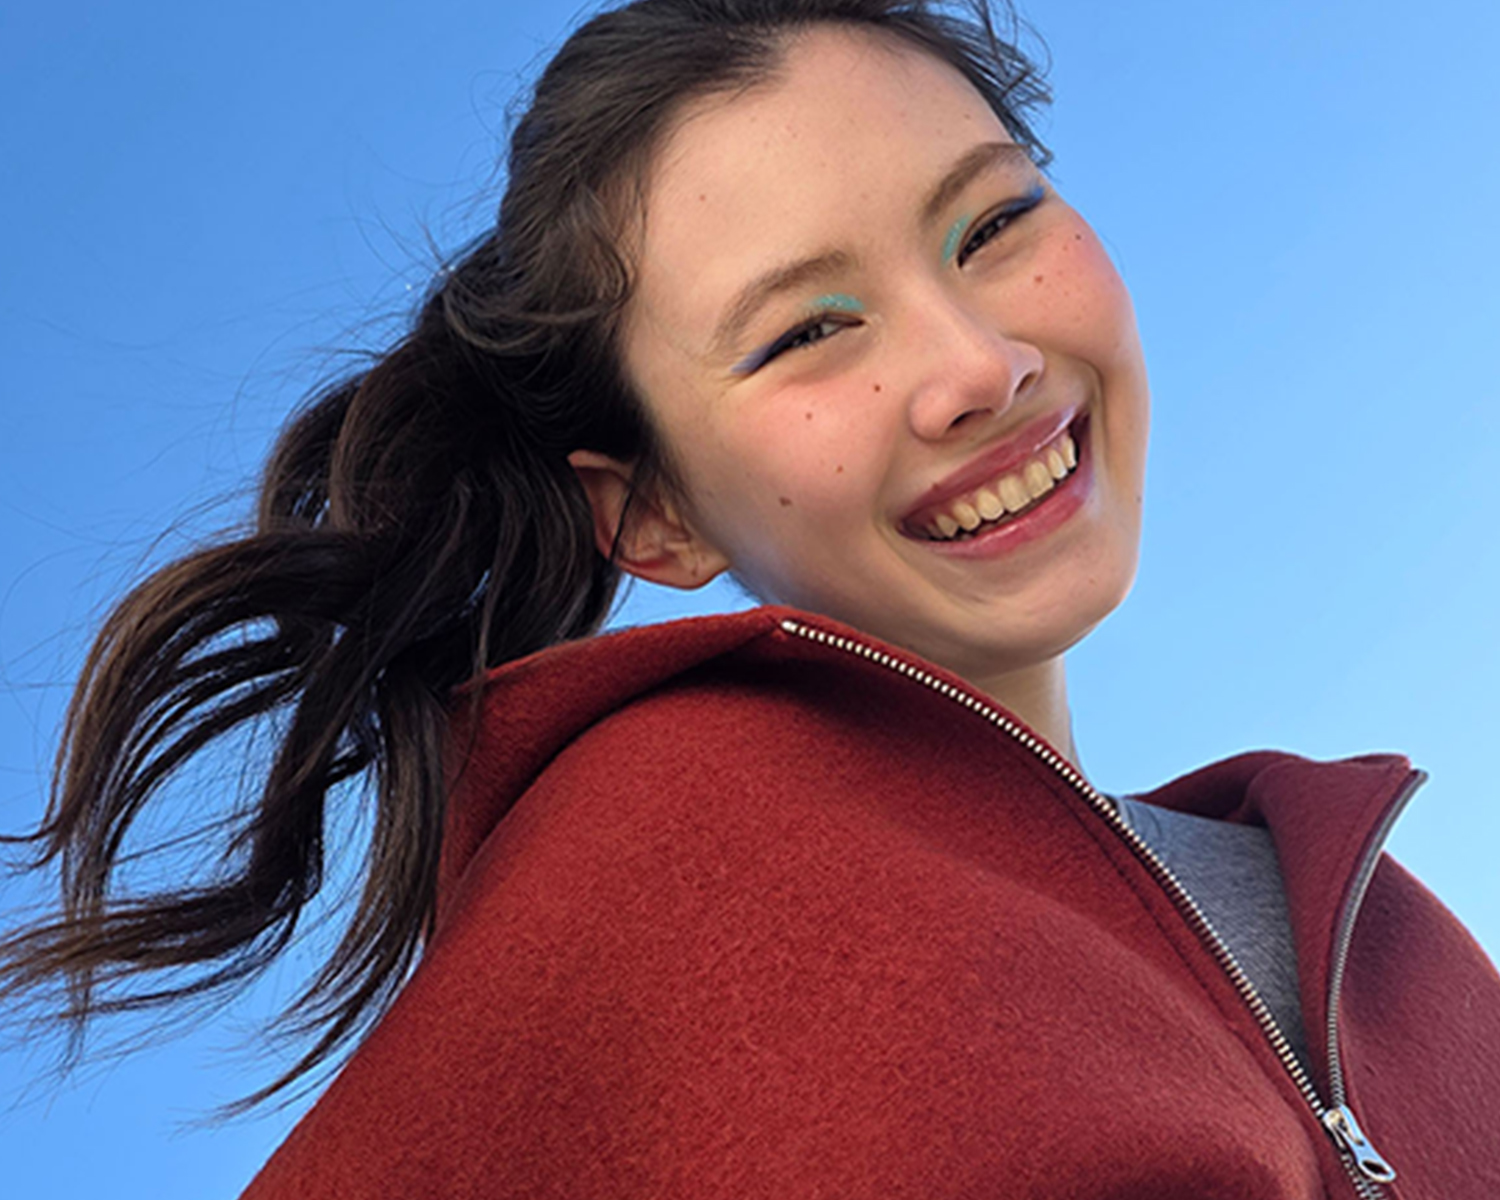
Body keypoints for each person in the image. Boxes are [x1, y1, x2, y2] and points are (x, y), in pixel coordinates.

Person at [2, 0, 1496, 1195]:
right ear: (650, 515)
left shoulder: (1384, 928)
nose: (978, 367)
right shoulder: (650, 857)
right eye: (807, 333)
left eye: (992, 225)